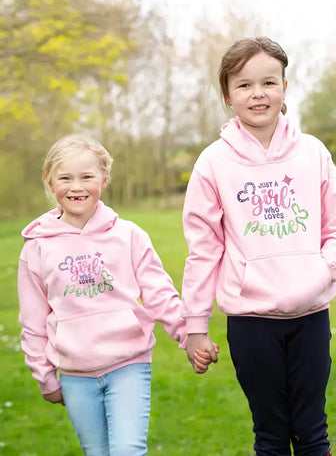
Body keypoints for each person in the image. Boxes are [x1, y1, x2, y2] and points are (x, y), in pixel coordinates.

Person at [182, 37, 336, 456]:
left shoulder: (312, 152)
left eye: (268, 82)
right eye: (243, 85)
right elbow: (204, 248)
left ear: (284, 87)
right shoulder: (213, 163)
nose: (257, 94)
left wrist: (323, 271)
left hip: (311, 314)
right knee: (271, 435)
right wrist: (195, 326)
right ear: (227, 95)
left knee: (312, 431)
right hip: (251, 320)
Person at [17, 134, 215, 456]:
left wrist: (188, 333)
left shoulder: (129, 236)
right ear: (50, 183)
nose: (76, 186)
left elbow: (158, 292)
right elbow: (33, 320)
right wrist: (45, 377)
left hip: (128, 364)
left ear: (104, 179)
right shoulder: (37, 248)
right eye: (65, 178)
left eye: (87, 177)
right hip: (74, 373)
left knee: (127, 450)